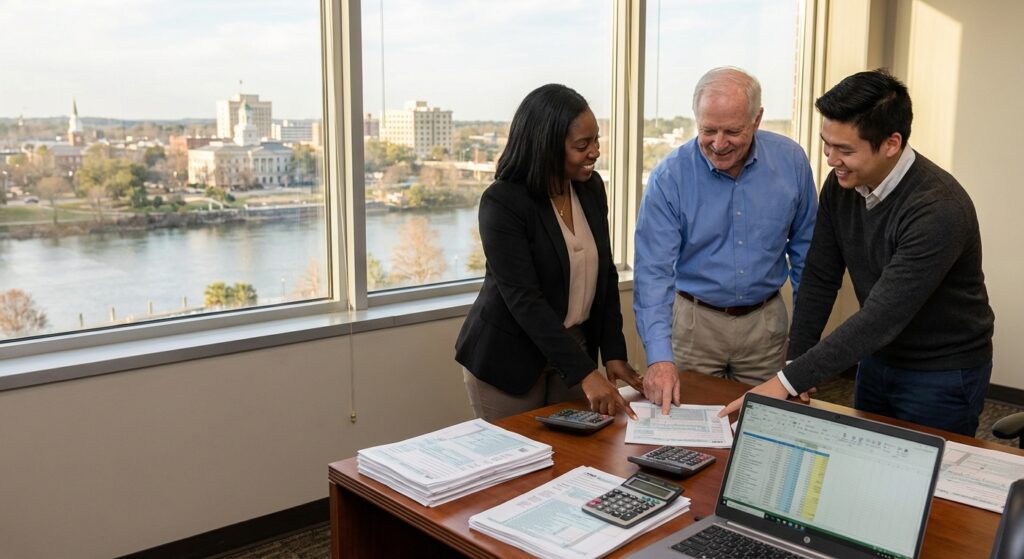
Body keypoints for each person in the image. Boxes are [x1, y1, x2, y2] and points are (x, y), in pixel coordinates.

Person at [720, 69, 995, 437]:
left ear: (891, 144)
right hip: (877, 356)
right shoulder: (842, 185)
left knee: (928, 470)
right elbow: (820, 277)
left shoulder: (938, 208)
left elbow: (882, 316)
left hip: (941, 370)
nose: (831, 159)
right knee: (863, 455)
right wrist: (796, 361)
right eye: (827, 144)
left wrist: (784, 382)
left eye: (845, 150)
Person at [634, 67, 818, 414]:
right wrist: (659, 358)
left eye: (733, 131)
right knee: (687, 429)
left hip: (765, 325)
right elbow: (653, 274)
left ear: (757, 119)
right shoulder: (669, 177)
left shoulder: (791, 162)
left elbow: (808, 258)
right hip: (694, 325)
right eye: (708, 130)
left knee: (764, 425)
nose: (719, 144)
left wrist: (803, 348)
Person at [455, 84, 643, 421]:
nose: (595, 152)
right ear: (547, 146)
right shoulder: (502, 202)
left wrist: (614, 352)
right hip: (507, 357)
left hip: (574, 347)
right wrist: (586, 374)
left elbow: (604, 275)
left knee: (577, 449)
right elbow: (524, 299)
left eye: (596, 140)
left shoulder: (591, 188)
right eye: (582, 145)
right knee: (517, 454)